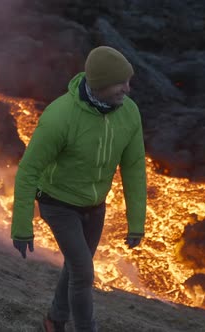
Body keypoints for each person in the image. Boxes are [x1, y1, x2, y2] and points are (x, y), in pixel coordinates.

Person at [11, 46, 147, 332]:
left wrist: (136, 222)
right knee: (83, 273)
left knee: (75, 268)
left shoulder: (129, 113)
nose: (128, 89)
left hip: (95, 207)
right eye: (120, 82)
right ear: (99, 84)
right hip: (57, 204)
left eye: (128, 81)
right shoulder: (60, 116)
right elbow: (28, 170)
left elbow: (133, 167)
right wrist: (22, 226)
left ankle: (54, 320)